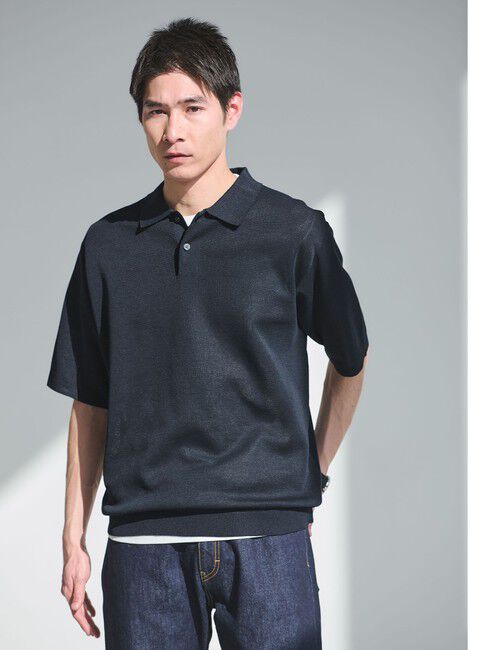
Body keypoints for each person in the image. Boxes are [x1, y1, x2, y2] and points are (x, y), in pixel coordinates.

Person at [47, 16, 369, 649]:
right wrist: (72, 539)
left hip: (269, 541)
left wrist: (311, 473)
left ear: (232, 109)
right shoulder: (108, 245)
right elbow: (90, 401)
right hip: (144, 547)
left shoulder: (293, 232)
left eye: (193, 107)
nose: (174, 130)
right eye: (156, 111)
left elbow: (351, 359)